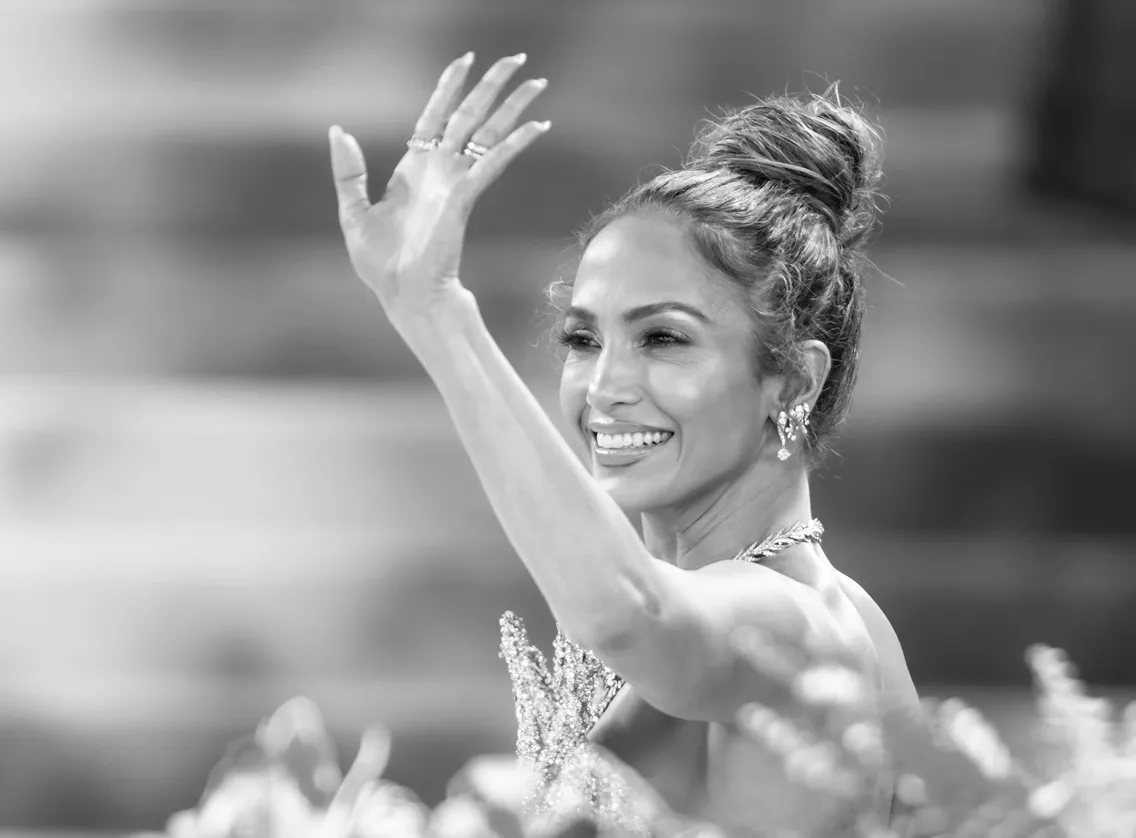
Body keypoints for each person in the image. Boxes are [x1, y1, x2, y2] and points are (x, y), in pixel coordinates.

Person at [328, 51, 920, 837]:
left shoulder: (793, 626)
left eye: (663, 338)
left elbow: (629, 612)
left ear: (794, 380)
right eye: (583, 338)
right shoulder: (794, 611)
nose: (604, 386)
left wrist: (434, 310)